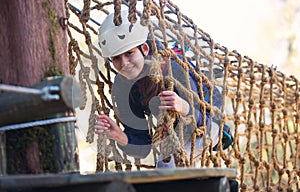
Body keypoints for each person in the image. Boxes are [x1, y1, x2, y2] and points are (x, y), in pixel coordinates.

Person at [95, 10, 230, 167]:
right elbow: (142, 145)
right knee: (169, 166)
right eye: (116, 58)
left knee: (168, 165)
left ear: (144, 49)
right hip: (174, 132)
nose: (124, 63)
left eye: (129, 53)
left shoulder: (173, 68)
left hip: (208, 121)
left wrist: (183, 106)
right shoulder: (123, 86)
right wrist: (121, 136)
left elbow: (204, 120)